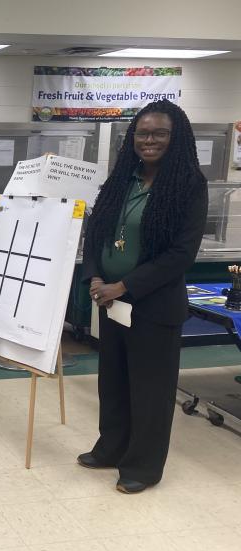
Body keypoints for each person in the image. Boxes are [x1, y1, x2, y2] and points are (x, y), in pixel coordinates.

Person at [79, 99, 208, 494]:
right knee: (113, 382)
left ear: (176, 137)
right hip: (112, 303)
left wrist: (125, 285)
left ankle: (143, 467)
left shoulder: (188, 184)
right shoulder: (124, 178)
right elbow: (97, 231)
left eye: (159, 133)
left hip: (153, 306)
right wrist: (95, 275)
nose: (149, 140)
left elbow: (181, 254)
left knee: (150, 390)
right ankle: (111, 449)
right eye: (143, 133)